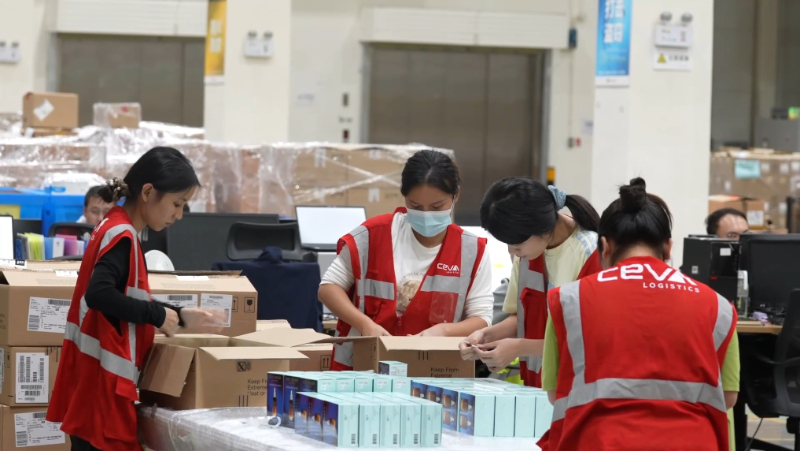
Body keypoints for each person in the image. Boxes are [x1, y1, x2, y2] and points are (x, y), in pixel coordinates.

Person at [47, 147, 224, 451]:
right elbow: (100, 294)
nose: (179, 215)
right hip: (102, 392)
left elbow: (123, 300)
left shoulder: (113, 225)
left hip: (92, 385)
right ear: (148, 192)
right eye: (177, 203)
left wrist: (179, 315)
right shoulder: (122, 236)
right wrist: (158, 315)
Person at [543, 178, 739, 451]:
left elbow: (556, 393)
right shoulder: (719, 306)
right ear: (668, 247)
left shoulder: (567, 300)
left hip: (600, 442)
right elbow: (728, 396)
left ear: (605, 246)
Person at [319, 149, 493, 371]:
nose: (426, 214)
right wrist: (364, 324)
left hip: (433, 370)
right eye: (416, 206)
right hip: (364, 366)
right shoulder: (373, 235)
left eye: (437, 206)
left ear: (455, 196)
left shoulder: (472, 250)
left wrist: (444, 331)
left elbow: (482, 318)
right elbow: (328, 288)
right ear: (404, 197)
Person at [459, 178, 602, 387]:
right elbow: (520, 318)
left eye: (516, 243)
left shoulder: (590, 253)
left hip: (577, 388)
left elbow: (589, 339)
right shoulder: (529, 252)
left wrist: (518, 347)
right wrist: (485, 336)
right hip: (538, 387)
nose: (512, 251)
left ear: (540, 227)